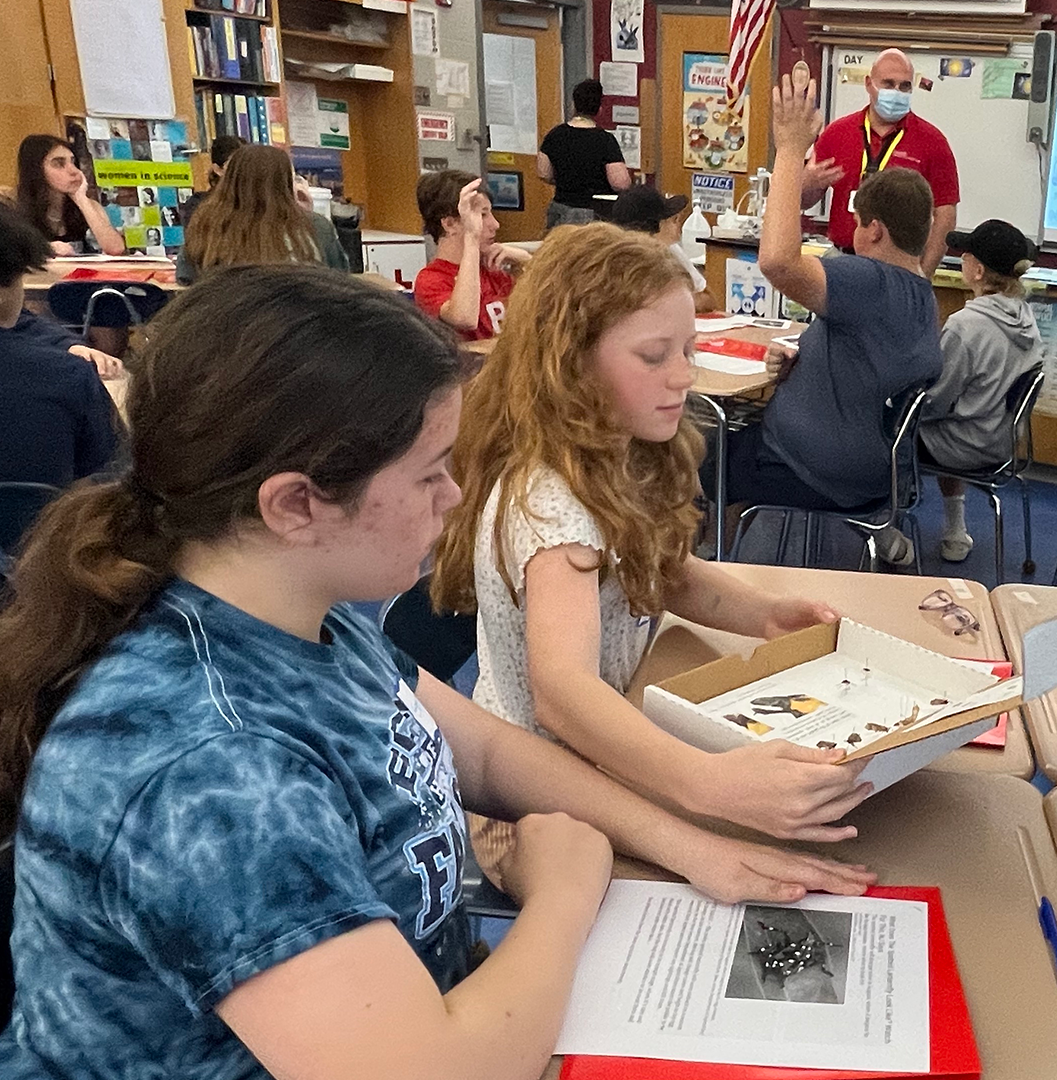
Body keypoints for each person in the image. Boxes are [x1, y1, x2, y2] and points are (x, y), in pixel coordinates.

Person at [0, 265, 874, 1078]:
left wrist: (692, 846)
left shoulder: (307, 609)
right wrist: (567, 891)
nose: (455, 499)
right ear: (296, 503)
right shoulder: (207, 770)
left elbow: (484, 753)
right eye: (427, 475)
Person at [433, 222, 871, 847]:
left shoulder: (620, 449)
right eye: (654, 355)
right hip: (533, 805)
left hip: (602, 750)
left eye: (688, 350)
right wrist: (707, 782)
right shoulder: (551, 505)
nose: (683, 376)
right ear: (571, 362)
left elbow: (662, 572)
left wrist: (768, 616)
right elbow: (562, 694)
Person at [711, 69, 942, 562]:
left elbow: (775, 261)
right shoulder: (919, 295)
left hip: (812, 468)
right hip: (873, 466)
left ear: (873, 231)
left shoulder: (868, 281)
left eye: (857, 222)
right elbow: (865, 362)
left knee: (684, 455)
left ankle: (709, 571)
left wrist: (791, 149)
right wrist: (802, 363)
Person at [916, 219, 1043, 562]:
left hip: (961, 445)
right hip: (1001, 443)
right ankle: (955, 527)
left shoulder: (965, 326)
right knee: (957, 415)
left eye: (966, 255)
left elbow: (934, 401)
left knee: (891, 425)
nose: (962, 260)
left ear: (978, 270)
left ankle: (885, 530)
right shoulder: (1027, 319)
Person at [800, 48, 958, 275]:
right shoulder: (837, 133)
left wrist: (923, 274)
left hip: (898, 269)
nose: (897, 92)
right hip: (842, 259)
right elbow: (805, 202)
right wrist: (807, 183)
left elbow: (945, 216)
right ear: (868, 84)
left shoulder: (933, 142)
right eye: (888, 84)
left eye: (904, 86)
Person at [0, 202, 119, 488]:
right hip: (39, 529)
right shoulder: (70, 377)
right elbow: (87, 489)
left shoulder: (67, 369)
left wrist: (65, 343)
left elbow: (25, 320)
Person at [176, 144, 349, 284]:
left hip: (224, 322)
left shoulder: (205, 224)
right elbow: (340, 279)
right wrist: (307, 212)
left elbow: (185, 277)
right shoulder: (315, 226)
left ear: (229, 181)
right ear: (286, 183)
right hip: (299, 321)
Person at [413, 171, 531, 341]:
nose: (495, 224)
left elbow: (557, 302)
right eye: (482, 215)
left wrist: (526, 262)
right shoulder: (431, 279)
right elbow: (464, 318)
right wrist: (472, 238)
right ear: (450, 224)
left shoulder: (495, 268)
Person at [6, 134, 126, 255]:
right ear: (37, 170)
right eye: (59, 164)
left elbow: (116, 249)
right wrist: (44, 249)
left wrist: (81, 199)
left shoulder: (90, 206)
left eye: (73, 162)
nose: (74, 171)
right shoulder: (14, 210)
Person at [536, 78, 631, 230]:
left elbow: (543, 172)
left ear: (574, 104)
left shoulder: (555, 135)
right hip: (591, 213)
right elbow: (620, 182)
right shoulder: (604, 140)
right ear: (599, 108)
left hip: (560, 208)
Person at [605, 183, 705, 292]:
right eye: (674, 220)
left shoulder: (671, 249)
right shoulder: (615, 264)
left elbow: (701, 293)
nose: (679, 226)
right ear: (654, 225)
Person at [177, 133, 245, 228]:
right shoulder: (199, 206)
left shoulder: (258, 201)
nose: (241, 171)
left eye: (246, 165)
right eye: (233, 165)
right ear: (217, 169)